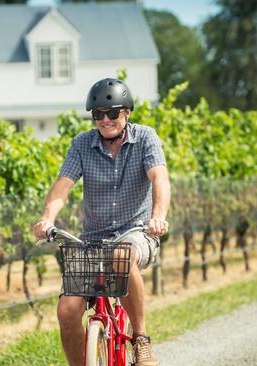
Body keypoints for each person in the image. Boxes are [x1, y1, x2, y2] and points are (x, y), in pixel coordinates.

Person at [33, 78, 170, 366]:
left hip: (137, 233)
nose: (105, 120)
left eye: (112, 113)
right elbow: (63, 185)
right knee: (67, 310)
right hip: (93, 240)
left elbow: (159, 177)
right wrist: (47, 218)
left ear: (127, 113)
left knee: (122, 255)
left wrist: (158, 216)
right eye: (98, 114)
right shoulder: (82, 144)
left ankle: (141, 339)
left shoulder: (146, 137)